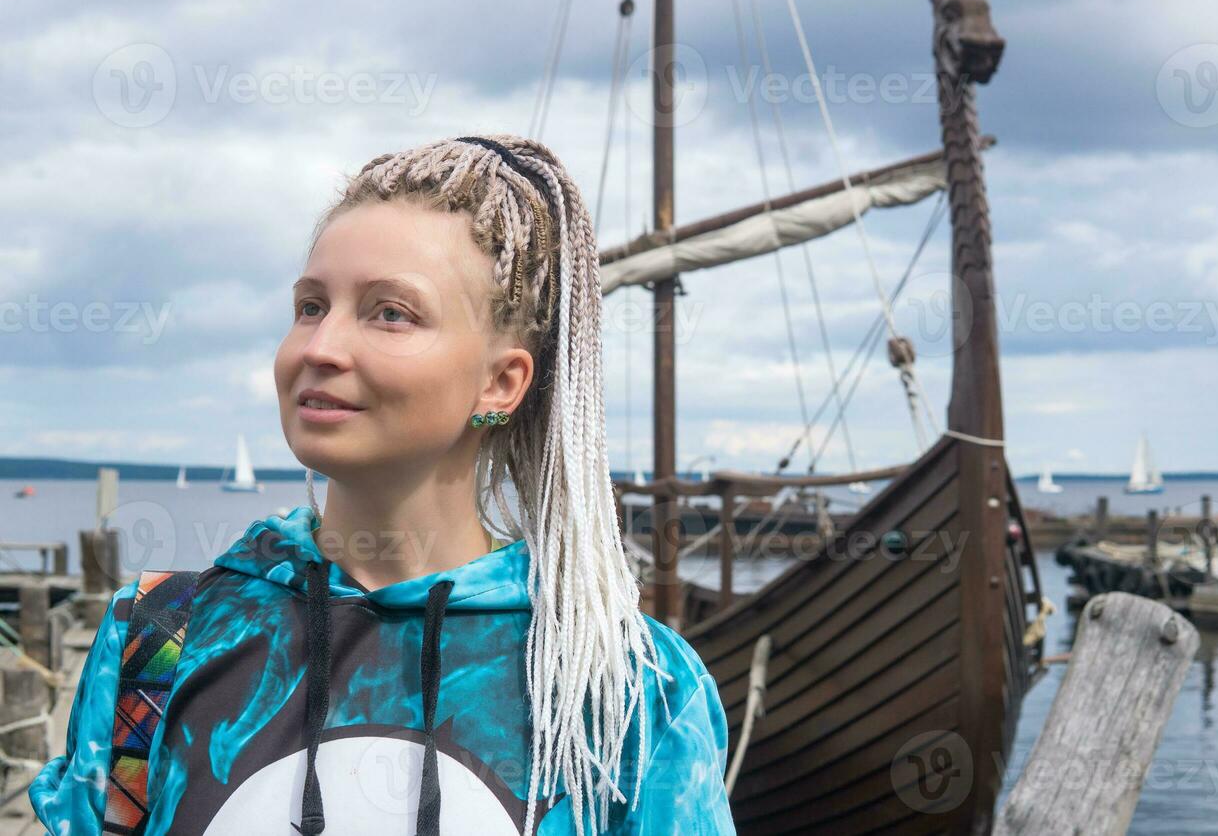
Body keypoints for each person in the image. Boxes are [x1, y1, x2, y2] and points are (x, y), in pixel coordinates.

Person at [29, 134, 737, 836]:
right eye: (311, 306)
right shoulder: (159, 638)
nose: (319, 347)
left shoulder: (626, 692)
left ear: (500, 381)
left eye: (390, 312)